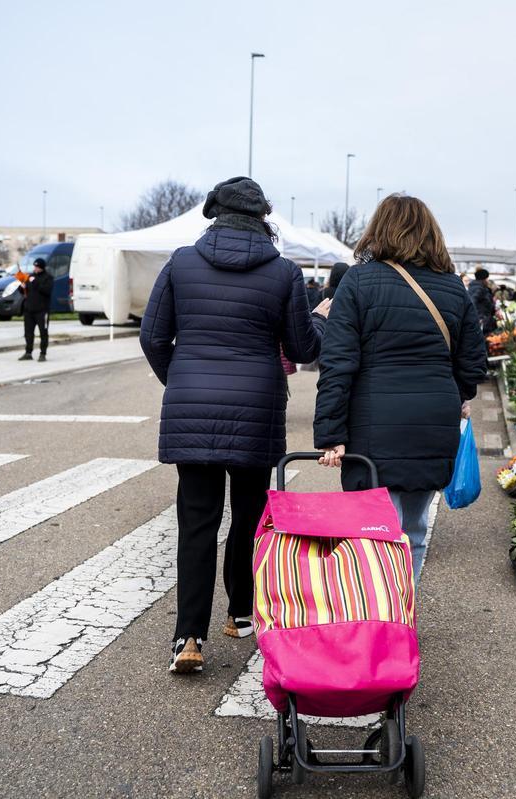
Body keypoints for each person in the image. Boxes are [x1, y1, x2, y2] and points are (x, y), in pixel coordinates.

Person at [140, 176, 330, 674]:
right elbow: (305, 349)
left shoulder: (181, 262)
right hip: (256, 408)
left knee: (197, 523)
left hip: (192, 408)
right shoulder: (285, 272)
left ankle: (188, 638)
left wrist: (180, 381)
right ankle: (241, 614)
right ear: (263, 216)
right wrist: (323, 318)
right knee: (248, 518)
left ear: (214, 213)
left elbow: (153, 336)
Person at [314, 194, 488, 582]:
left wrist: (330, 433)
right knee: (414, 527)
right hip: (433, 420)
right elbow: (473, 361)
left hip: (373, 422)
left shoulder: (358, 281)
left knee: (374, 531)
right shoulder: (452, 287)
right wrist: (455, 394)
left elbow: (338, 362)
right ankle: (404, 614)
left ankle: (378, 618)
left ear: (380, 230)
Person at [19, 258, 54, 361]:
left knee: (43, 332)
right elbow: (23, 291)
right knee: (28, 333)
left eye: (37, 267)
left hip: (42, 311)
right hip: (29, 310)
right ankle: (28, 352)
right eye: (35, 267)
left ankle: (42, 353)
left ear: (42, 268)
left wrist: (35, 282)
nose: (35, 269)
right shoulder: (30, 277)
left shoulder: (48, 278)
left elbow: (46, 290)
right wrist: (22, 287)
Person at [467, 267, 497, 334]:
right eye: (487, 278)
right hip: (482, 321)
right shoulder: (479, 288)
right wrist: (479, 318)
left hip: (484, 319)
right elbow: (472, 302)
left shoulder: (478, 287)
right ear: (483, 279)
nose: (487, 280)